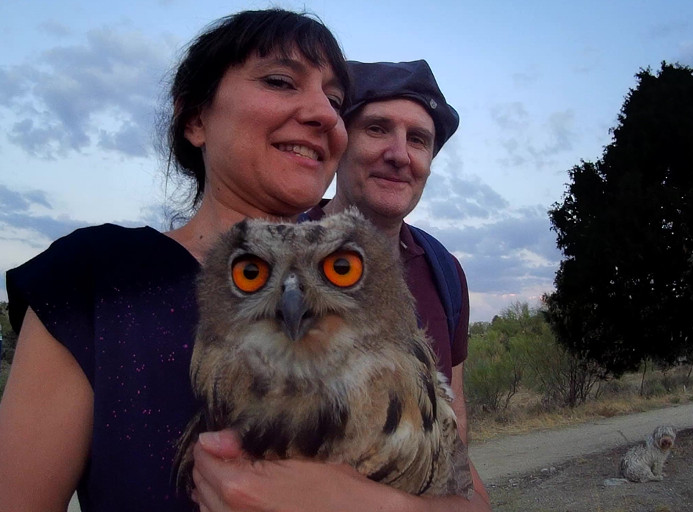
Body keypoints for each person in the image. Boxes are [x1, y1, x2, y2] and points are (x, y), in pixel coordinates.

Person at [0, 9, 350, 511]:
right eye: (280, 81)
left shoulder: (362, 288)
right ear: (195, 119)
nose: (325, 114)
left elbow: (459, 494)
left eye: (336, 101)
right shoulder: (98, 279)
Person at [188, 60, 491, 511]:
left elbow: (453, 430)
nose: (399, 153)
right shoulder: (264, 251)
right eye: (376, 129)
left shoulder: (444, 270)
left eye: (418, 140)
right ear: (339, 140)